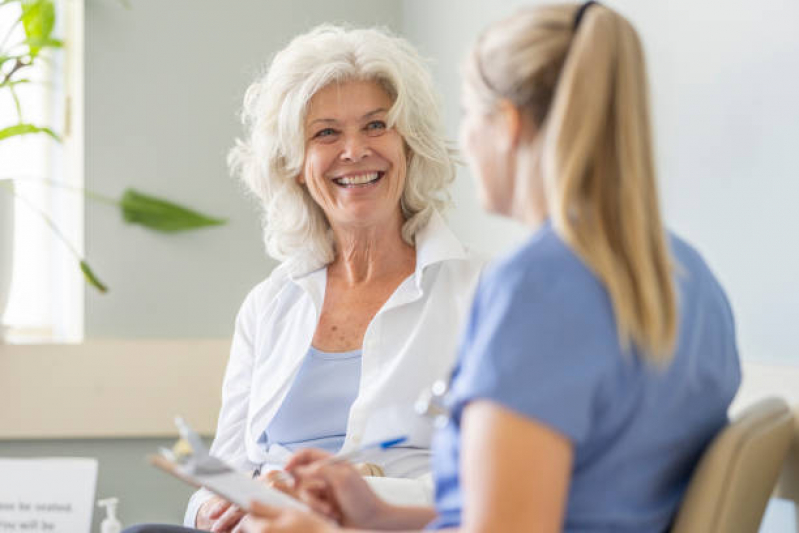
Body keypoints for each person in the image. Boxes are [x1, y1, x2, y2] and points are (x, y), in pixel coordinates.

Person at [238, 3, 742, 532]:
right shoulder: (688, 275)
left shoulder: (536, 287)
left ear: (507, 124)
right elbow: (561, 500)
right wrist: (379, 515)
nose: (464, 141)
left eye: (469, 115)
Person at [123, 24, 485, 533]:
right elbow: (223, 475)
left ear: (410, 144)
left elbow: (488, 484)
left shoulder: (480, 292)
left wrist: (347, 495)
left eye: (377, 125)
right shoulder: (269, 305)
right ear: (295, 164)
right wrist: (211, 508)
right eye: (327, 132)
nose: (354, 150)